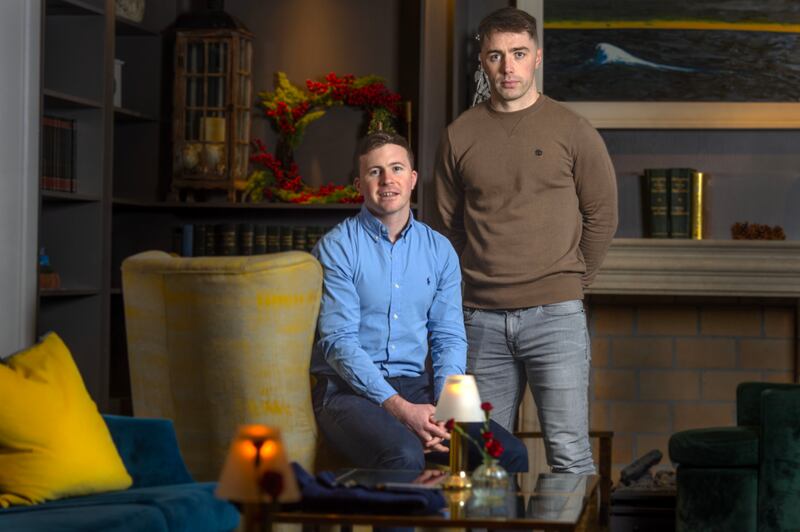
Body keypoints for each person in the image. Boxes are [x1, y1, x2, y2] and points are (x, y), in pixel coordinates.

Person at [432, 7, 618, 475]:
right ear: (482, 61)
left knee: (570, 454)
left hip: (555, 316)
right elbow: (446, 227)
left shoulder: (573, 130)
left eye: (517, 54)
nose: (507, 67)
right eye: (496, 56)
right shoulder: (459, 135)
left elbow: (602, 215)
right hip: (480, 322)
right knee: (483, 460)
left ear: (536, 57)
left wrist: (572, 281)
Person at [311, 131, 527, 473]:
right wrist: (402, 411)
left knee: (509, 453)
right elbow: (339, 344)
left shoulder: (440, 250)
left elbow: (449, 336)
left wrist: (447, 407)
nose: (387, 180)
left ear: (412, 179)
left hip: (420, 386)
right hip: (347, 391)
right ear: (358, 185)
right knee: (405, 455)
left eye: (396, 169)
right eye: (374, 172)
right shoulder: (337, 248)